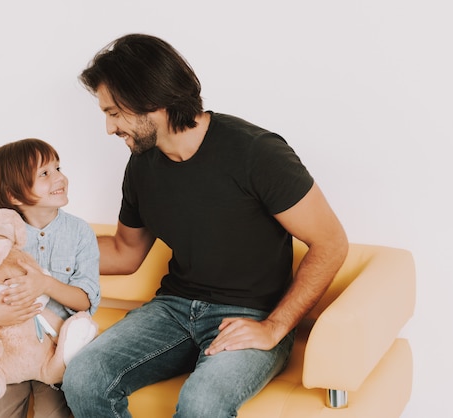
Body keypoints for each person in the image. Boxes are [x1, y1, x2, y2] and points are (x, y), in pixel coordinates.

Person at [61, 34, 349, 418]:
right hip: (173, 309)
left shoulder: (255, 152)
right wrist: (42, 252)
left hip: (252, 313)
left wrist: (274, 327)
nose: (109, 129)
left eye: (114, 113)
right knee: (83, 377)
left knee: (202, 404)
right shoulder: (142, 166)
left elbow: (331, 243)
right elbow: (125, 252)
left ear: (151, 99)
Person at [0, 138, 100, 418]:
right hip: (8, 352)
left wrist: (45, 285)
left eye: (57, 168)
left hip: (57, 353)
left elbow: (85, 301)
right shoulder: (1, 238)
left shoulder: (80, 233)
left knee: (54, 414)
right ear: (13, 195)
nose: (60, 177)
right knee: (0, 411)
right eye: (44, 173)